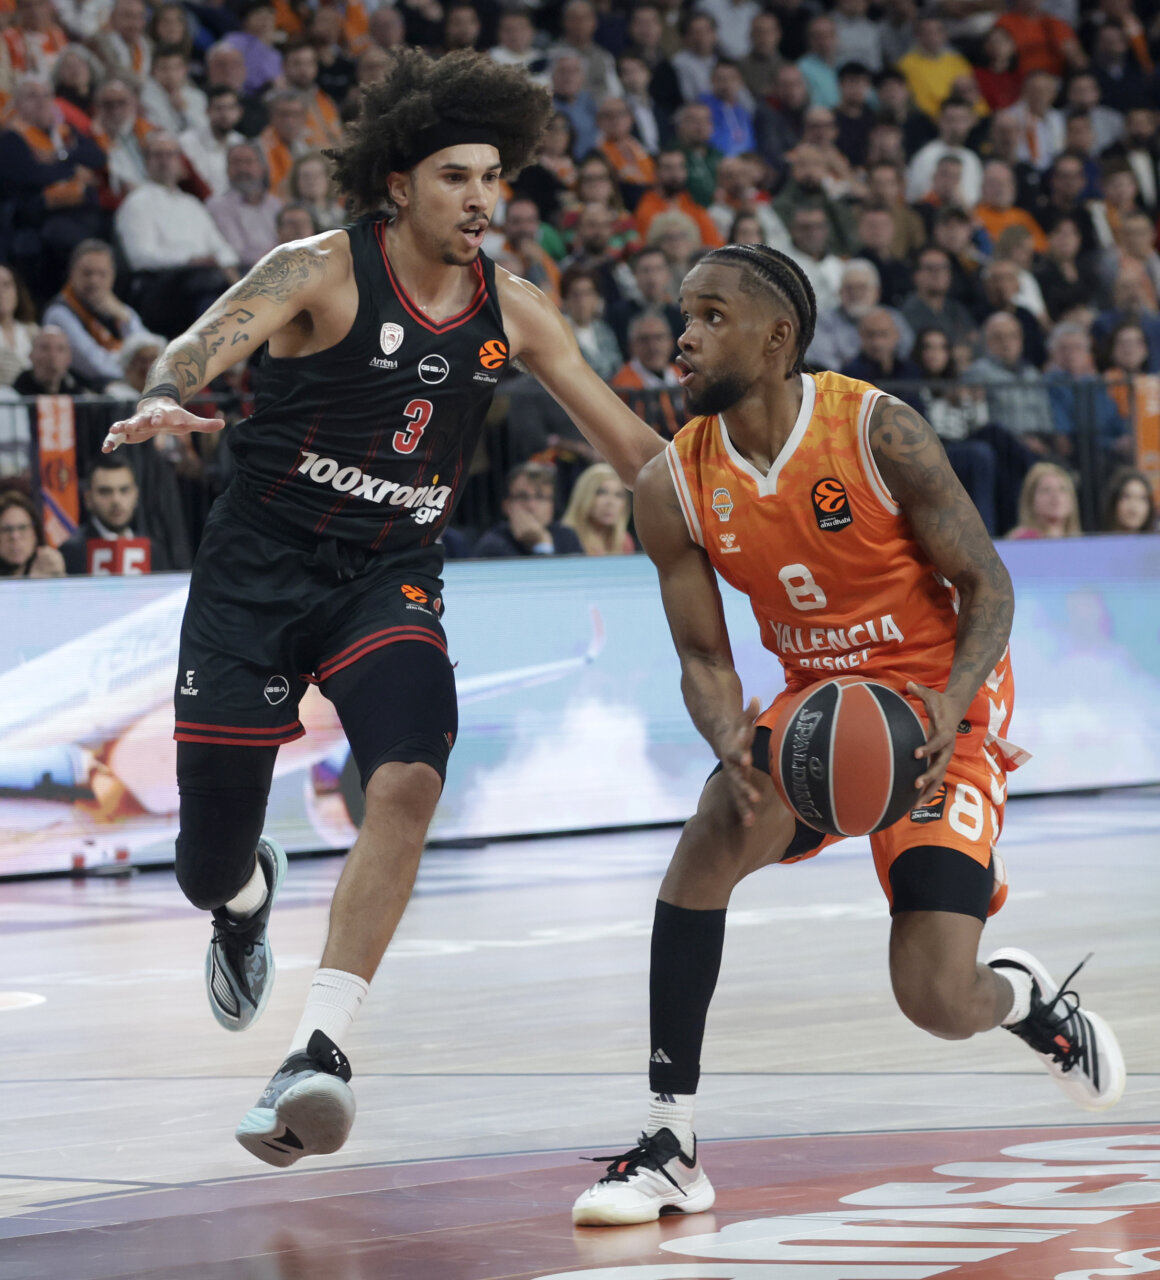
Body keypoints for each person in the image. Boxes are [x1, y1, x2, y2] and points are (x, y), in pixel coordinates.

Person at [101, 47, 662, 1168]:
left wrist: (758, 487)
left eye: (493, 178)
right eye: (457, 176)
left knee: (407, 773)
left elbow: (637, 452)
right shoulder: (317, 268)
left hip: (386, 577)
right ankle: (249, 889)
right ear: (399, 186)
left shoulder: (517, 310)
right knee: (203, 865)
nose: (481, 200)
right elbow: (200, 343)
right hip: (255, 577)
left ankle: (319, 1048)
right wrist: (165, 395)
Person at [570, 242, 1124, 1227]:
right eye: (679, 316)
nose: (680, 338)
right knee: (705, 837)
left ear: (776, 337)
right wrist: (724, 735)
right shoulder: (672, 484)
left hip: (937, 707)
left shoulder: (879, 430)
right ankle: (668, 1141)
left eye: (706, 317)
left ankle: (1024, 1000)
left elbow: (985, 583)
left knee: (933, 997)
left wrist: (948, 709)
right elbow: (702, 656)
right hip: (815, 711)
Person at [42, 238, 147, 390]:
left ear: (113, 276)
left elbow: (148, 351)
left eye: (102, 274)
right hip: (86, 391)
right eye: (87, 273)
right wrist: (137, 374)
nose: (94, 281)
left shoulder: (121, 310)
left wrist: (125, 319)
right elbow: (94, 364)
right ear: (72, 274)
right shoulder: (59, 313)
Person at [59, 453, 177, 573]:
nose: (116, 500)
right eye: (105, 492)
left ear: (135, 495)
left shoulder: (153, 550)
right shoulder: (71, 552)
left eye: (124, 490)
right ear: (88, 499)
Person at [560, 460, 634, 554]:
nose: (611, 502)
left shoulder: (624, 541)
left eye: (618, 495)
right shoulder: (564, 538)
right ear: (585, 496)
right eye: (602, 492)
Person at [1007, 460, 1083, 538]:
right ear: (1030, 500)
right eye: (1046, 490)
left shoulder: (1082, 542)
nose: (1055, 495)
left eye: (1062, 489)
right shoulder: (1021, 541)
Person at [0, 490, 66, 578]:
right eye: (6, 529)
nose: (15, 536)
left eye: (22, 528)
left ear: (35, 534)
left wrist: (58, 578)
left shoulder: (48, 566)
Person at [1100, 467, 1155, 533]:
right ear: (1114, 502)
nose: (1134, 505)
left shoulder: (1156, 541)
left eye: (1141, 498)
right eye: (1127, 497)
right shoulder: (1096, 541)